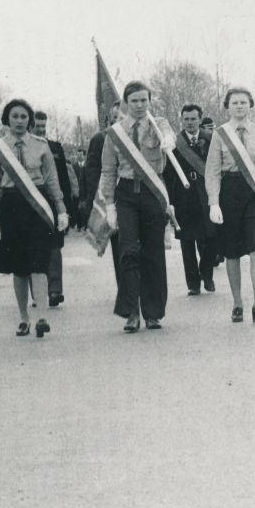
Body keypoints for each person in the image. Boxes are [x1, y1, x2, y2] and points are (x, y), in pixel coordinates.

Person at [0, 102, 68, 337]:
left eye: (23, 116)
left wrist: (61, 210)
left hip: (37, 207)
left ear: (29, 120)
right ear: (7, 119)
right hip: (11, 207)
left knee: (39, 262)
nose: (19, 120)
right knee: (19, 267)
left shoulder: (41, 146)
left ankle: (41, 316)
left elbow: (52, 181)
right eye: (15, 116)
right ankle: (23, 318)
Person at [100, 81, 176, 332]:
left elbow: (169, 134)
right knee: (128, 251)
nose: (140, 105)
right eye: (135, 101)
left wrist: (167, 140)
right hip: (126, 195)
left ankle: (153, 313)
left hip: (152, 193)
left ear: (150, 101)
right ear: (126, 103)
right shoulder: (115, 133)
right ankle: (131, 311)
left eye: (144, 100)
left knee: (153, 253)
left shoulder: (158, 123)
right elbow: (108, 171)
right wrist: (110, 204)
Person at [205, 87, 255, 323]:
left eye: (243, 102)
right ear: (228, 106)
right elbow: (213, 171)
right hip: (230, 193)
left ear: (250, 106)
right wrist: (214, 202)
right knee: (232, 252)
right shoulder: (220, 134)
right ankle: (237, 303)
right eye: (234, 102)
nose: (239, 106)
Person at [165, 103, 220, 295]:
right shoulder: (173, 143)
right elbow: (168, 174)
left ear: (200, 119)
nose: (189, 123)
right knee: (187, 243)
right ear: (182, 120)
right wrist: (170, 200)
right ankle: (193, 284)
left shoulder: (212, 139)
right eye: (186, 119)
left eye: (193, 119)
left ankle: (207, 273)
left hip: (206, 195)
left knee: (211, 238)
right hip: (183, 197)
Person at [31, 111, 73, 308]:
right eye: (37, 126)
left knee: (55, 248)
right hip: (31, 205)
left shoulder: (55, 147)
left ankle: (55, 290)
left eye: (43, 126)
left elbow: (63, 179)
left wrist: (67, 209)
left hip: (54, 204)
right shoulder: (24, 148)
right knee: (33, 248)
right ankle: (37, 292)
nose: (40, 129)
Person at [85, 101, 121, 284]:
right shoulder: (100, 139)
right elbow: (91, 171)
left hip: (136, 196)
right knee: (120, 244)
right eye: (115, 118)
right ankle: (125, 287)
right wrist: (96, 197)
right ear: (109, 120)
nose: (119, 121)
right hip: (110, 198)